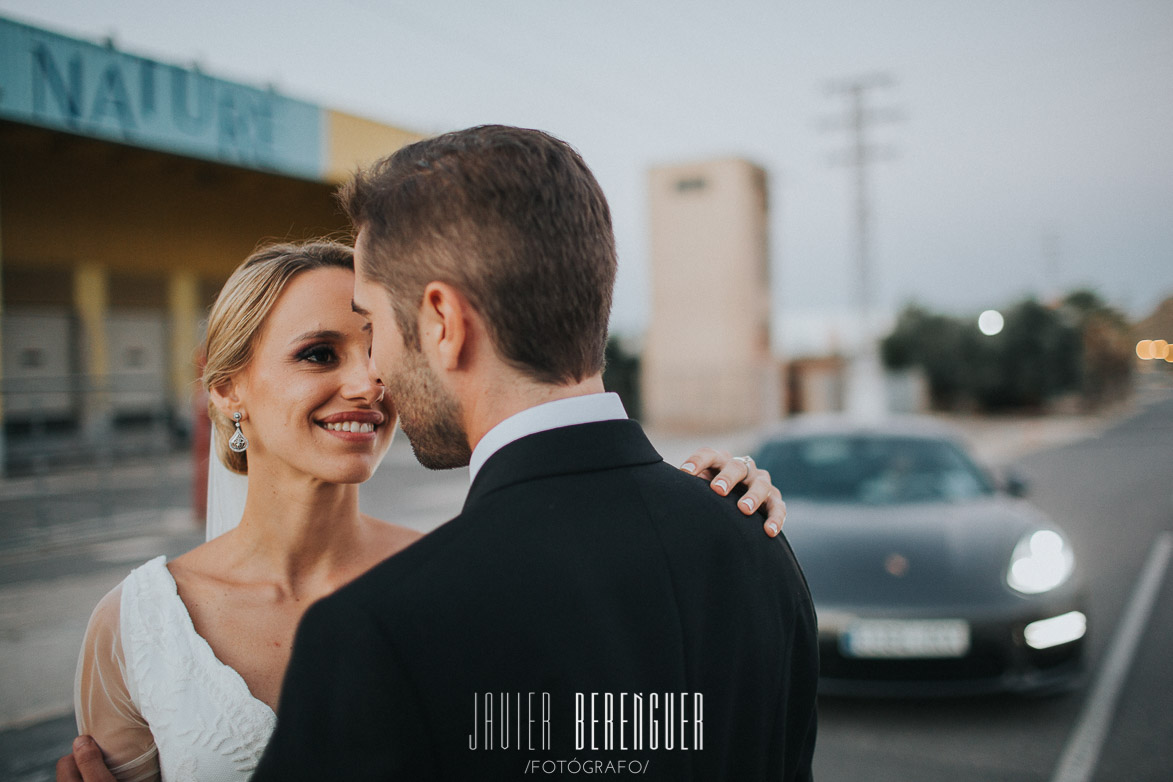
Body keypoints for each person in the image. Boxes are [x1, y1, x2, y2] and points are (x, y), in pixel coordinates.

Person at [56, 239, 785, 782]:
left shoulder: (467, 578)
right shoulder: (139, 623)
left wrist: (704, 506)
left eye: (376, 349)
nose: (367, 383)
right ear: (225, 391)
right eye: (318, 354)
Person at [252, 126, 818, 781]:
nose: (374, 369)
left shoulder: (379, 630)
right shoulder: (759, 543)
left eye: (373, 324)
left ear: (441, 322)